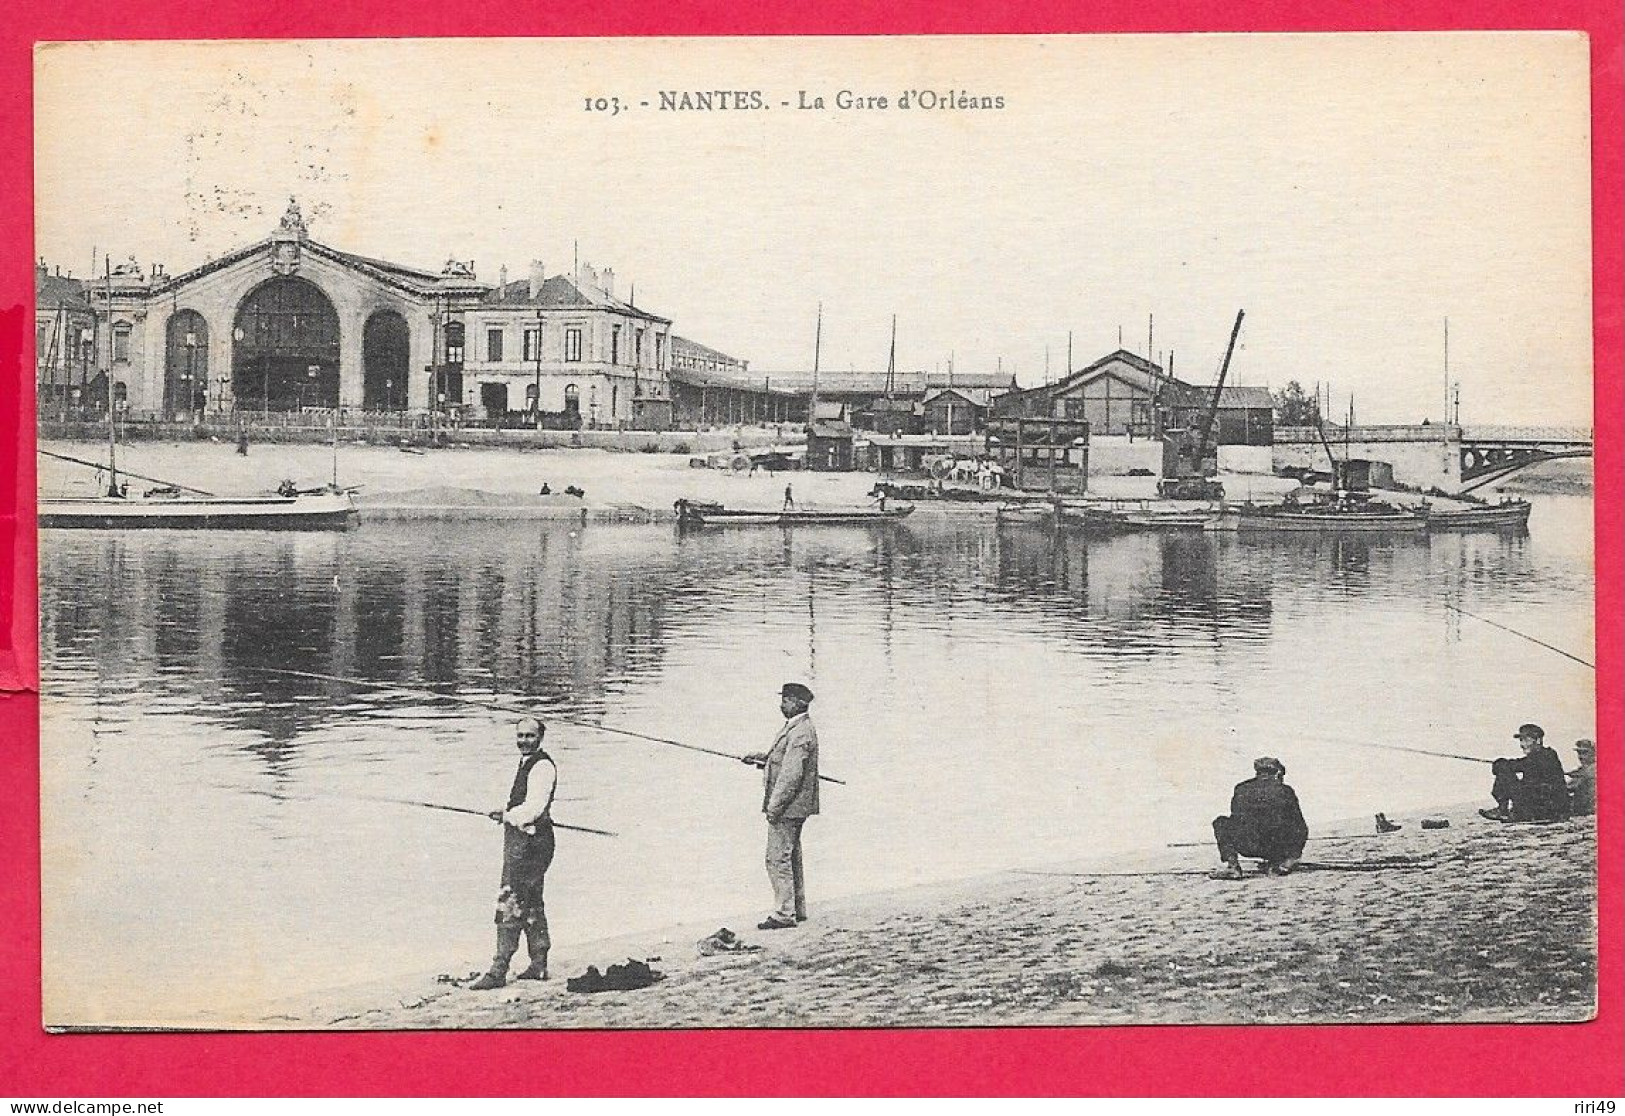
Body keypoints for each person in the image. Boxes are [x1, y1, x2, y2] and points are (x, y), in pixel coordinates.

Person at [469, 717, 557, 990]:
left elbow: (535, 808)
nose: (524, 741)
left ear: (540, 737)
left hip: (531, 843)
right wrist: (507, 815)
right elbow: (526, 807)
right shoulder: (527, 763)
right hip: (525, 838)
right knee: (530, 899)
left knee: (510, 899)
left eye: (530, 736)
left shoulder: (542, 766)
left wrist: (508, 815)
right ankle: (538, 963)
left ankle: (498, 969)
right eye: (520, 736)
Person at [741, 683, 820, 929]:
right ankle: (797, 908)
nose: (781, 704)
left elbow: (791, 775)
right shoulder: (798, 728)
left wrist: (774, 808)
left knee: (776, 858)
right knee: (791, 855)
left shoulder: (800, 732)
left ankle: (784, 914)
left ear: (798, 703)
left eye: (786, 700)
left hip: (789, 806)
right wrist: (762, 758)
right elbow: (784, 761)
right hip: (796, 805)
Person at [1210, 757, 1309, 880]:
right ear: (1277, 773)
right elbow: (1300, 826)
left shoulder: (1241, 788)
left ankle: (1233, 866)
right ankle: (1283, 863)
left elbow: (1235, 817)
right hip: (1276, 846)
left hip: (1248, 846)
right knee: (1293, 825)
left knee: (1221, 822)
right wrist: (1293, 854)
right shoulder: (1285, 791)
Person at [1480, 723, 1568, 823]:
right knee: (1506, 771)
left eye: (1526, 740)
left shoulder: (1547, 756)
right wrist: (1502, 764)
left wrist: (1501, 764)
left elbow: (1520, 765)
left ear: (1538, 740)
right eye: (1521, 740)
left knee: (1505, 773)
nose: (1522, 745)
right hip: (1543, 807)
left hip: (1550, 809)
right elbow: (1519, 764)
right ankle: (1508, 811)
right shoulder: (1537, 756)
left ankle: (1503, 809)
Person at [1566, 738, 1596, 817]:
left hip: (1589, 813)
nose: (1581, 757)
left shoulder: (1592, 769)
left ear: (1594, 753)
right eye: (1579, 753)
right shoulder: (1584, 769)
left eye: (1585, 753)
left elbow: (1569, 787)